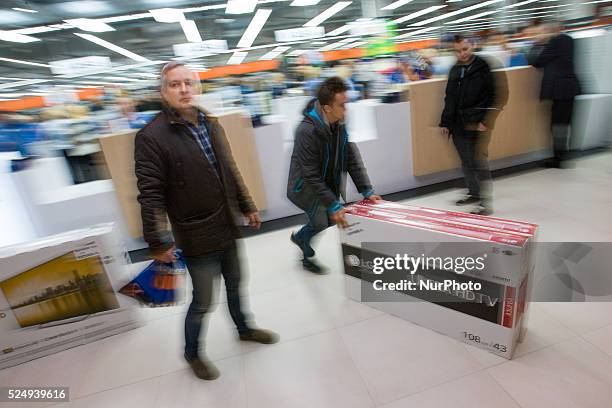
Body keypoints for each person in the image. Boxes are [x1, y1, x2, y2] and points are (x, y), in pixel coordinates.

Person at [134, 62, 278, 381]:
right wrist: (157, 241)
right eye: (175, 84)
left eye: (189, 83)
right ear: (163, 92)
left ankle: (244, 328)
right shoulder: (151, 136)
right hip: (195, 232)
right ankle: (192, 353)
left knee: (237, 285)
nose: (184, 89)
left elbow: (229, 168)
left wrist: (247, 205)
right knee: (203, 301)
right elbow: (150, 193)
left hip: (226, 223)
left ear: (198, 87)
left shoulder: (210, 123)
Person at [287, 77, 382, 273]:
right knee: (321, 221)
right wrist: (333, 204)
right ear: (327, 108)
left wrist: (366, 189)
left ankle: (300, 238)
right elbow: (310, 175)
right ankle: (306, 253)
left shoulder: (339, 124)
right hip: (305, 187)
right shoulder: (306, 131)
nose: (346, 109)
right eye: (342, 105)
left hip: (324, 183)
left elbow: (351, 158)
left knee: (329, 220)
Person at [439, 35, 497, 215]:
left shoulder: (482, 67)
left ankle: (485, 203)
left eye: (465, 49)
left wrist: (485, 121)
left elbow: (493, 96)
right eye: (458, 51)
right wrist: (445, 122)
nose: (462, 54)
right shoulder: (454, 70)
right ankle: (473, 193)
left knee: (478, 162)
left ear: (472, 46)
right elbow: (449, 98)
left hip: (476, 122)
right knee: (466, 162)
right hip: (457, 124)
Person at [528, 22, 581, 168]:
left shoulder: (554, 42)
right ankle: (563, 155)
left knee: (557, 124)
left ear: (551, 31)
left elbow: (537, 62)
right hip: (570, 88)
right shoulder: (569, 40)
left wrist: (537, 44)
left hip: (560, 90)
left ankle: (558, 159)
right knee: (565, 123)